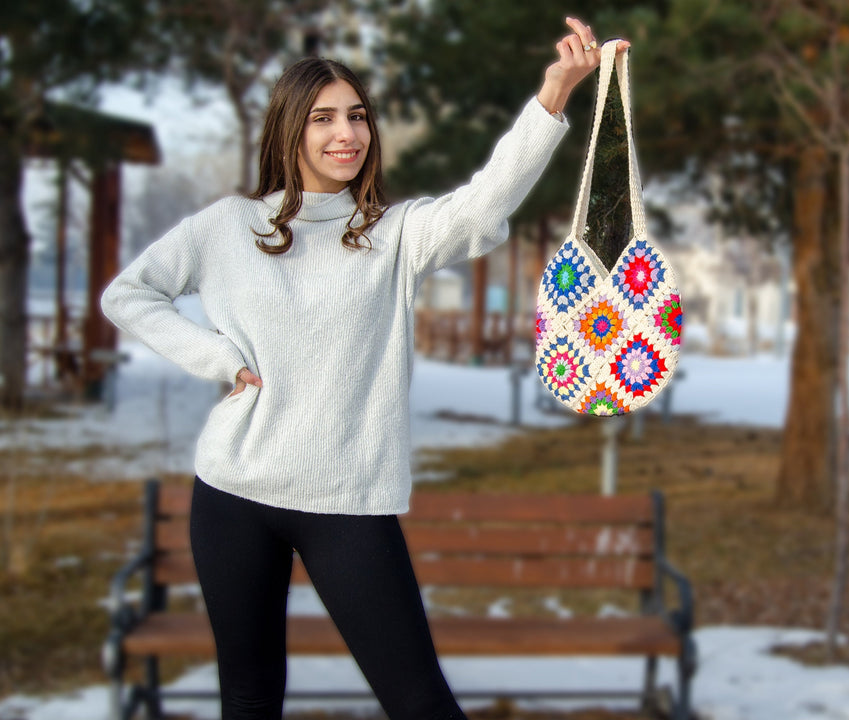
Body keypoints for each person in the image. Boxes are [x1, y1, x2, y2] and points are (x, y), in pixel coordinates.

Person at [101, 15, 628, 720]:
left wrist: (554, 93)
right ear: (291, 130)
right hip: (232, 494)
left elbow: (483, 204)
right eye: (323, 118)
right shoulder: (226, 228)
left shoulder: (393, 235)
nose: (346, 132)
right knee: (249, 695)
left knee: (418, 701)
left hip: (348, 504)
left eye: (357, 116)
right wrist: (218, 358)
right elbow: (127, 294)